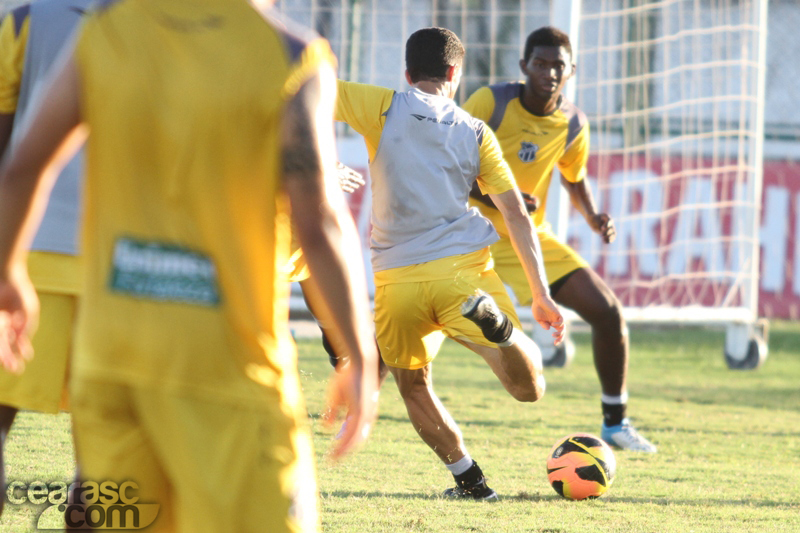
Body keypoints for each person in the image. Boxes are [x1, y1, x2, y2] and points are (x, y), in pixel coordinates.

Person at [0, 1, 380, 531]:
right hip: (227, 366)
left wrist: (8, 273)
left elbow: (23, 167)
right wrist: (359, 354)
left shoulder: (106, 33)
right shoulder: (291, 55)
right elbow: (320, 224)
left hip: (113, 359)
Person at [335, 27, 564, 501]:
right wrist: (541, 294)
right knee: (528, 388)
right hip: (463, 274)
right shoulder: (475, 131)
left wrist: (321, 163)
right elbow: (516, 215)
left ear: (407, 73)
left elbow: (301, 91)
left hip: (397, 282)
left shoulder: (380, 106)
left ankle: (471, 483)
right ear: (454, 73)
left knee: (414, 387)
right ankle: (502, 331)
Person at [462, 26, 657, 452]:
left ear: (571, 71)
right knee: (418, 317)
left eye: (558, 66)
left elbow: (574, 176)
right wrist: (501, 196)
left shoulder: (572, 123)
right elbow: (449, 163)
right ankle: (360, 394)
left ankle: (615, 422)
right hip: (468, 232)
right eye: (540, 63)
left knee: (608, 312)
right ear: (523, 66)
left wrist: (592, 216)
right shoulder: (490, 103)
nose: (549, 72)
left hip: (528, 238)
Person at [0, 0, 92, 515]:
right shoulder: (169, 23)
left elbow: (7, 155)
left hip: (25, 251)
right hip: (122, 264)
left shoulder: (24, 21)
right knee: (101, 456)